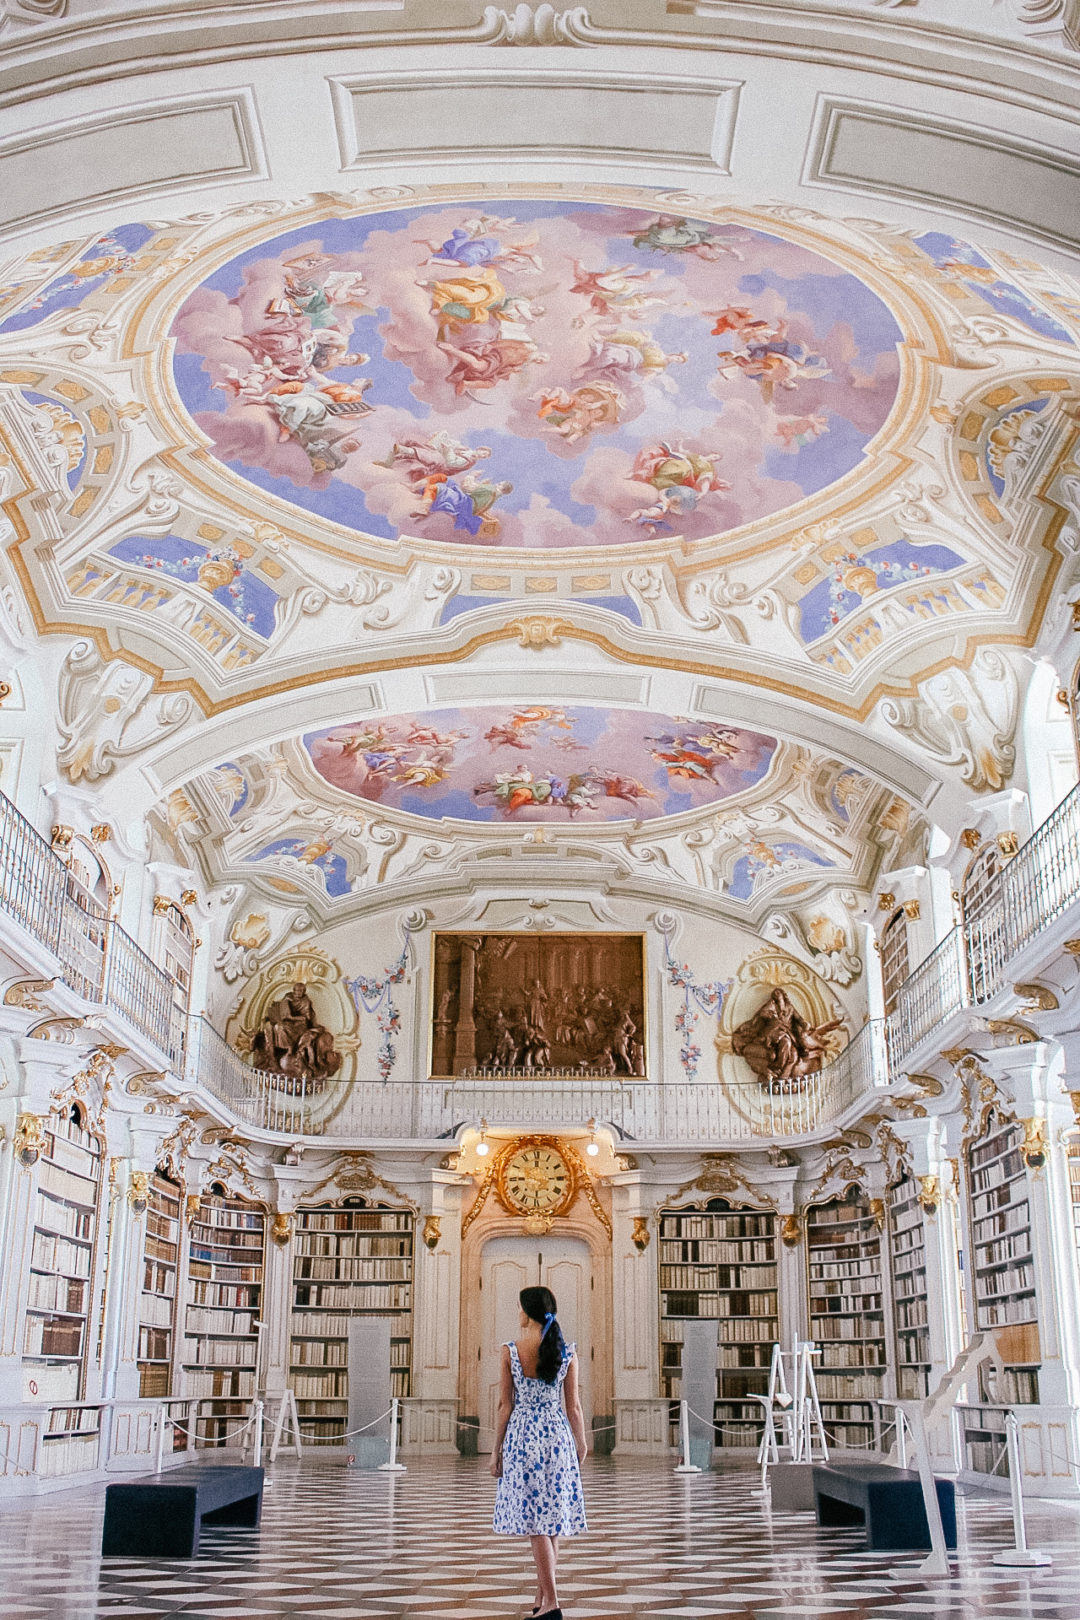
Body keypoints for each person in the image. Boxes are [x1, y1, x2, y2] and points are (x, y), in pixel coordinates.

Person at [490, 1286, 588, 1620]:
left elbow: (505, 1406)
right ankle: (541, 1594)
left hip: (524, 1439)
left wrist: (495, 1452)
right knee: (552, 1522)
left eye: (520, 1308)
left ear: (528, 1312)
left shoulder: (511, 1350)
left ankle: (552, 1603)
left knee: (536, 1523)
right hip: (557, 1436)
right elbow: (573, 1406)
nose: (518, 1314)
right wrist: (581, 1442)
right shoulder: (566, 1351)